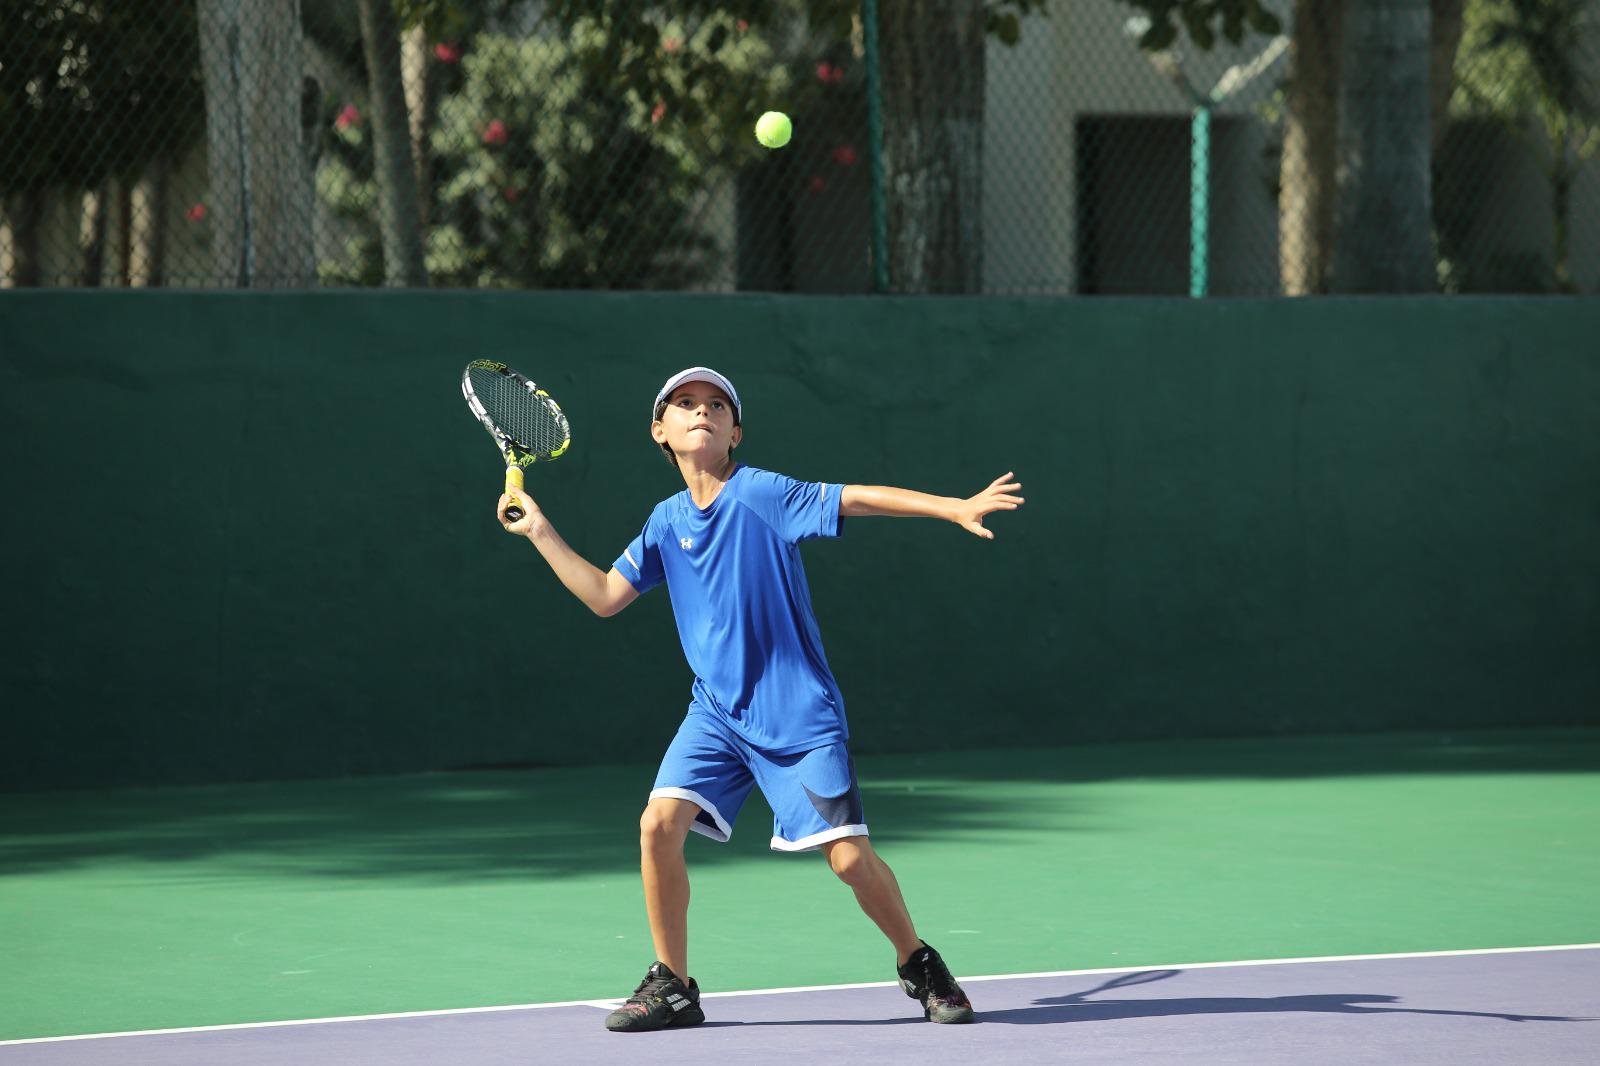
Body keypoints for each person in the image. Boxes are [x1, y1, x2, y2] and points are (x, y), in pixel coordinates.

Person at [497, 366, 1023, 1032]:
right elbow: (605, 597)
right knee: (657, 825)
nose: (702, 412)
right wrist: (540, 529)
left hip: (798, 715)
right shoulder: (664, 522)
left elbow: (854, 497)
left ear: (735, 431)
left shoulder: (764, 493)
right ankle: (673, 986)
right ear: (660, 430)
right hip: (715, 715)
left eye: (717, 405)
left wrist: (952, 506)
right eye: (684, 404)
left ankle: (918, 961)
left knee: (850, 859)